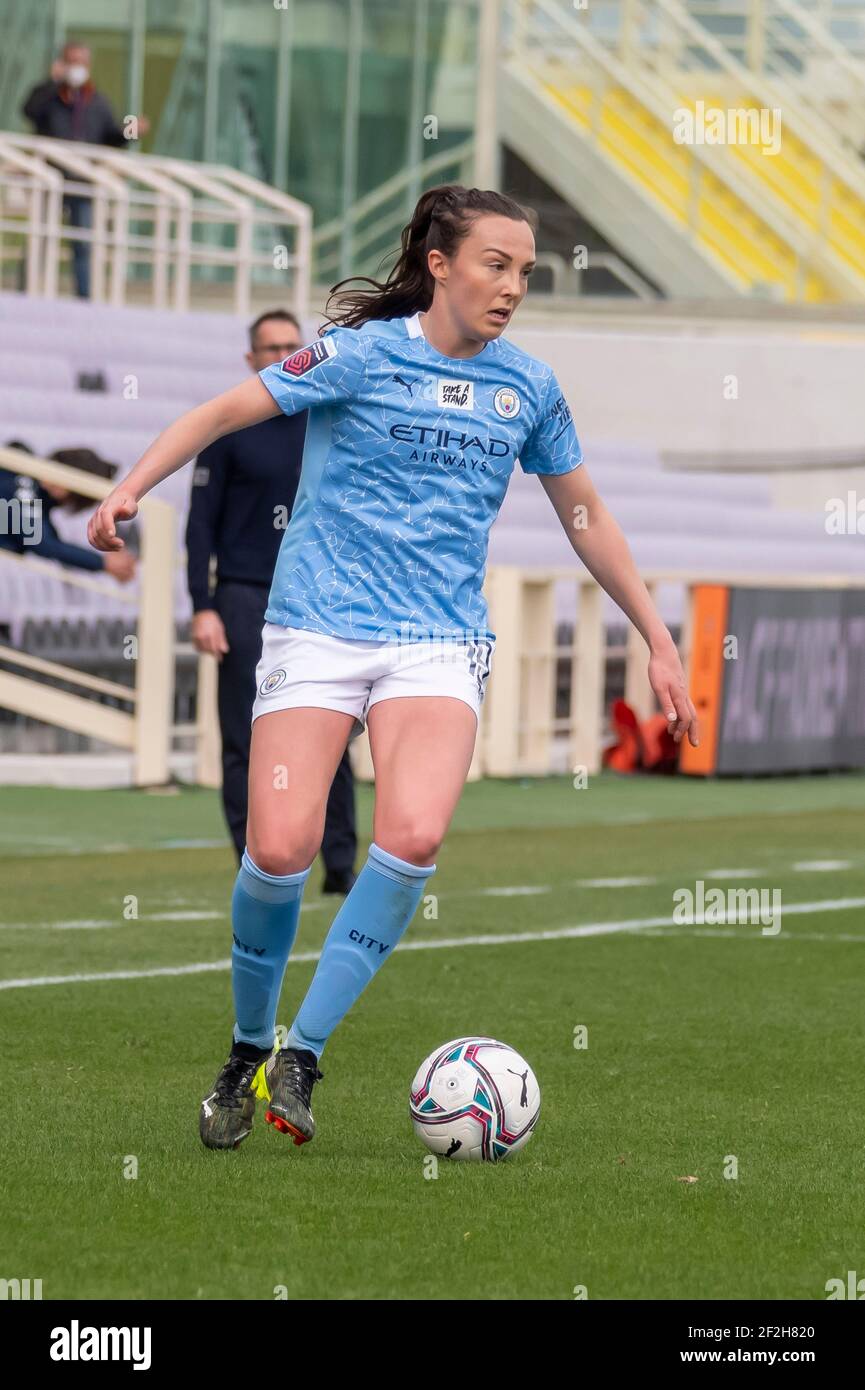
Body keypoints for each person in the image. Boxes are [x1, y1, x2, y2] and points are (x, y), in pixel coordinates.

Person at [87, 184, 699, 1154]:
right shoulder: (357, 354)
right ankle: (248, 1044)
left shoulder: (527, 387)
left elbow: (584, 516)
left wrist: (657, 636)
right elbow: (220, 413)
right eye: (496, 265)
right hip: (318, 628)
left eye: (526, 272)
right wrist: (128, 487)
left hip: (437, 641)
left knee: (411, 832)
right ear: (442, 263)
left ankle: (305, 1053)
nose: (512, 287)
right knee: (281, 847)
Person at [186, 308, 357, 888]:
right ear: (250, 358)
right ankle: (252, 864)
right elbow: (199, 525)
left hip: (318, 601)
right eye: (270, 347)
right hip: (242, 598)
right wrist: (202, 604)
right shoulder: (231, 425)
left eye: (292, 344)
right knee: (243, 738)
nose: (283, 354)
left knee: (330, 735)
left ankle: (338, 866)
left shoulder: (327, 417)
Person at [21, 41, 150, 297]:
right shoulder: (48, 96)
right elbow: (28, 111)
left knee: (83, 243)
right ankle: (29, 291)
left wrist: (134, 128)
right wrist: (51, 82)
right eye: (71, 61)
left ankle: (84, 298)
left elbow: (112, 135)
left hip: (83, 182)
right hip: (50, 178)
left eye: (80, 62)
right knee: (39, 239)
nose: (76, 67)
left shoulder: (97, 101)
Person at [1, 442, 135, 582]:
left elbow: (47, 539)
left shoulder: (34, 494)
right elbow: (43, 544)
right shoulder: (21, 482)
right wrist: (103, 563)